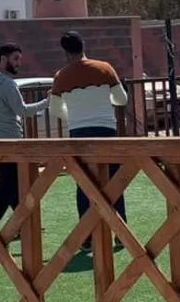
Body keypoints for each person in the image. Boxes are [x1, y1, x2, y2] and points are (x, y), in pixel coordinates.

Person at [49, 31, 129, 238]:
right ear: (83, 45)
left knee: (84, 183)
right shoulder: (105, 68)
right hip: (106, 129)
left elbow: (55, 110)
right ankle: (121, 233)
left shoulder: (61, 76)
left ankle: (86, 236)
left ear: (65, 51)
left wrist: (74, 117)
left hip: (78, 132)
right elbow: (121, 100)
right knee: (113, 181)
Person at [0, 42, 49, 228]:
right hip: (12, 141)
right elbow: (23, 111)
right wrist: (47, 102)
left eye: (20, 59)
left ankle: (23, 222)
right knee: (8, 184)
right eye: (15, 59)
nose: (18, 63)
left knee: (13, 182)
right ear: (3, 59)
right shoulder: (8, 84)